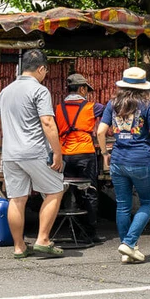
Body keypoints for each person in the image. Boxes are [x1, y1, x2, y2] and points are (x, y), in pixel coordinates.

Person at [0, 49, 65, 258]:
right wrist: (57, 153)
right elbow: (48, 122)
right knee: (55, 190)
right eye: (46, 71)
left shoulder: (5, 91)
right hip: (33, 151)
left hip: (10, 153)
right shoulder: (40, 91)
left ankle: (19, 247)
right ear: (41, 69)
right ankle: (43, 239)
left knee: (17, 199)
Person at [96, 66, 150, 263]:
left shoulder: (113, 104)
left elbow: (100, 132)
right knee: (149, 203)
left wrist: (105, 153)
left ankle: (128, 249)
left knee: (123, 206)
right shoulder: (147, 104)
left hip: (117, 159)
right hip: (140, 160)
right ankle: (129, 243)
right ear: (142, 87)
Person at [54, 73, 105, 243]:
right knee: (89, 192)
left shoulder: (57, 108)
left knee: (70, 191)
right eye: (86, 90)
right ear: (82, 89)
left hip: (65, 155)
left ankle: (73, 229)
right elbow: (109, 113)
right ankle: (89, 233)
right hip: (85, 153)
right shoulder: (93, 107)